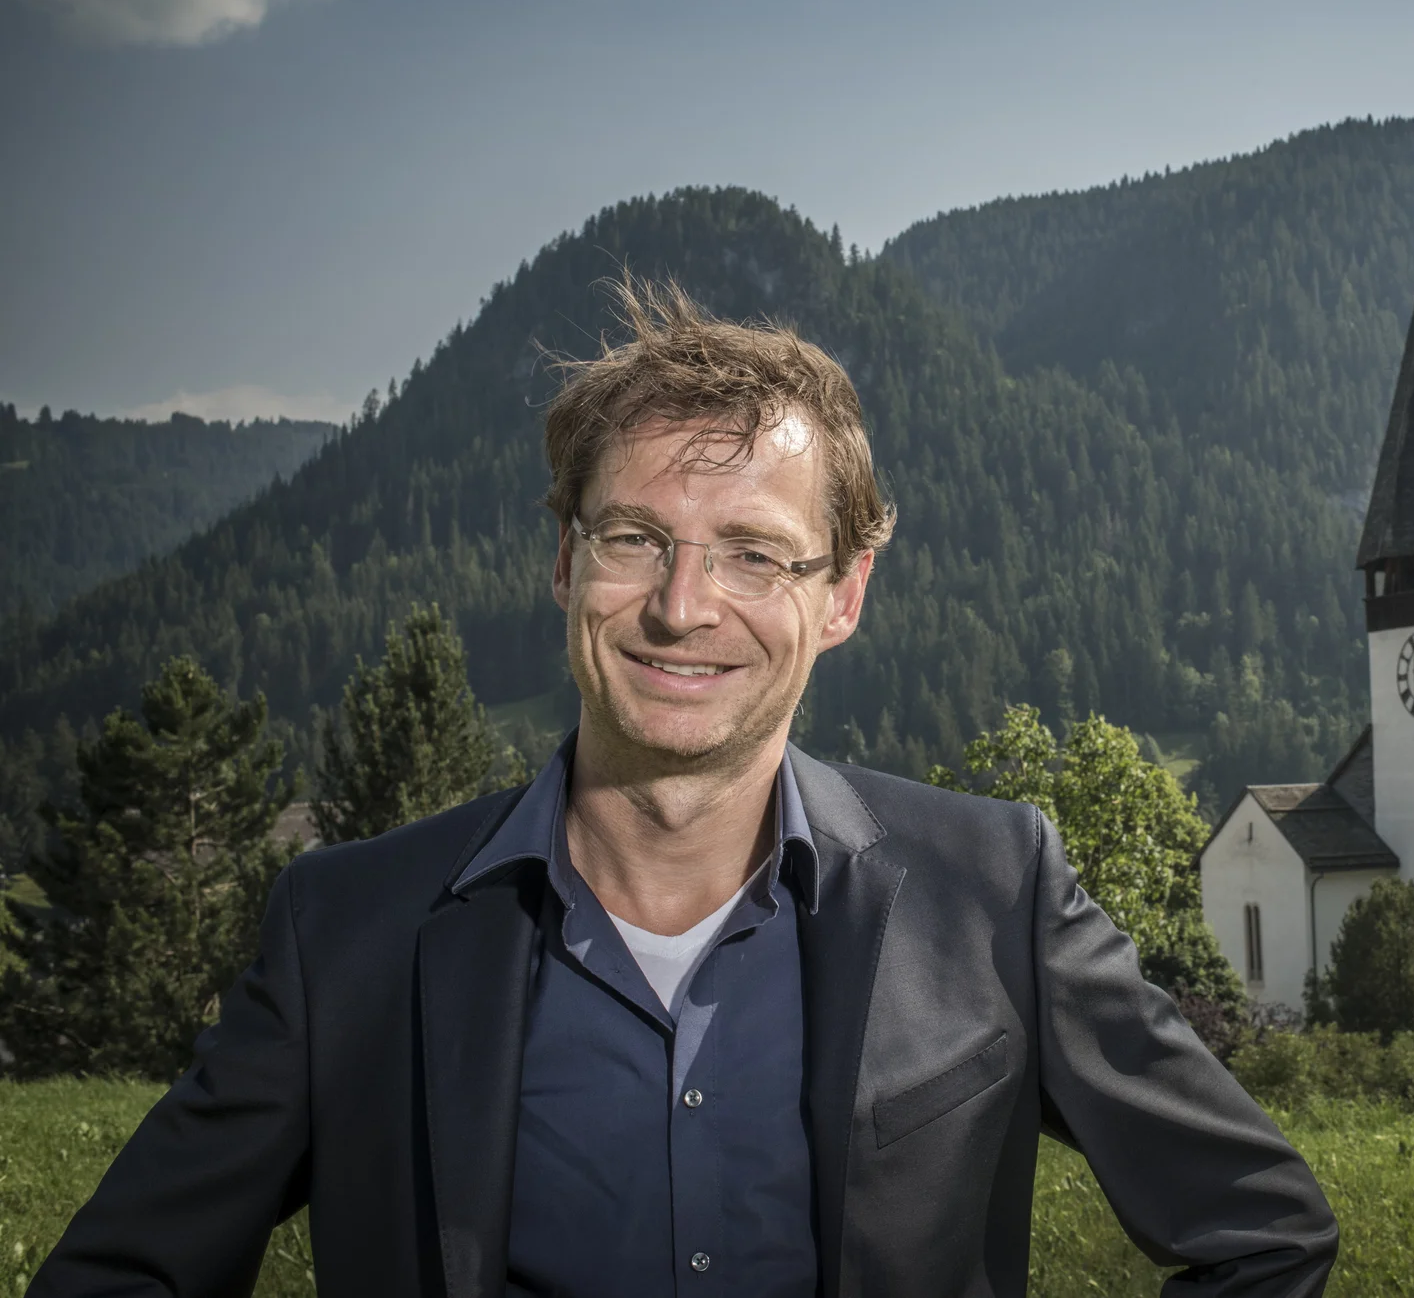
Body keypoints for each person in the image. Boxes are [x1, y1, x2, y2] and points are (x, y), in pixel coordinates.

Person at [33, 278, 1337, 1298]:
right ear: (563, 561)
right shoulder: (348, 930)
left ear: (842, 594)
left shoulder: (993, 887)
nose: (679, 605)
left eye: (754, 555)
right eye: (635, 538)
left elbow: (1262, 1232)